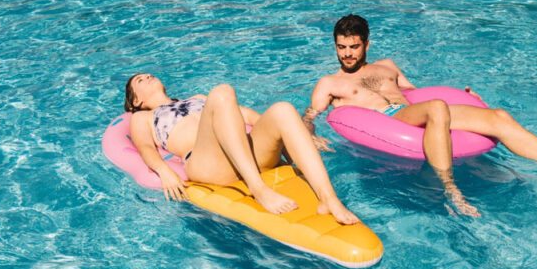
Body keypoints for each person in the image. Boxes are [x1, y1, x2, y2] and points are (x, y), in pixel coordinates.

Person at [302, 14, 537, 217]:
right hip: (387, 120)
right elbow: (310, 115)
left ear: (366, 44)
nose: (347, 54)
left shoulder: (387, 66)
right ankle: (451, 190)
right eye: (341, 47)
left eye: (353, 47)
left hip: (411, 111)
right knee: (438, 109)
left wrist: (469, 100)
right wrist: (311, 133)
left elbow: (418, 94)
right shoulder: (330, 83)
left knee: (499, 117)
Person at [124, 74, 361, 225]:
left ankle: (328, 199)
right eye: (140, 81)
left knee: (283, 109)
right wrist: (164, 170)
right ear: (136, 101)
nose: (148, 76)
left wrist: (294, 138)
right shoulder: (144, 117)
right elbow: (145, 146)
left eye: (148, 75)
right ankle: (257, 188)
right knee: (223, 91)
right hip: (207, 162)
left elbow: (248, 116)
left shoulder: (197, 98)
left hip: (244, 153)